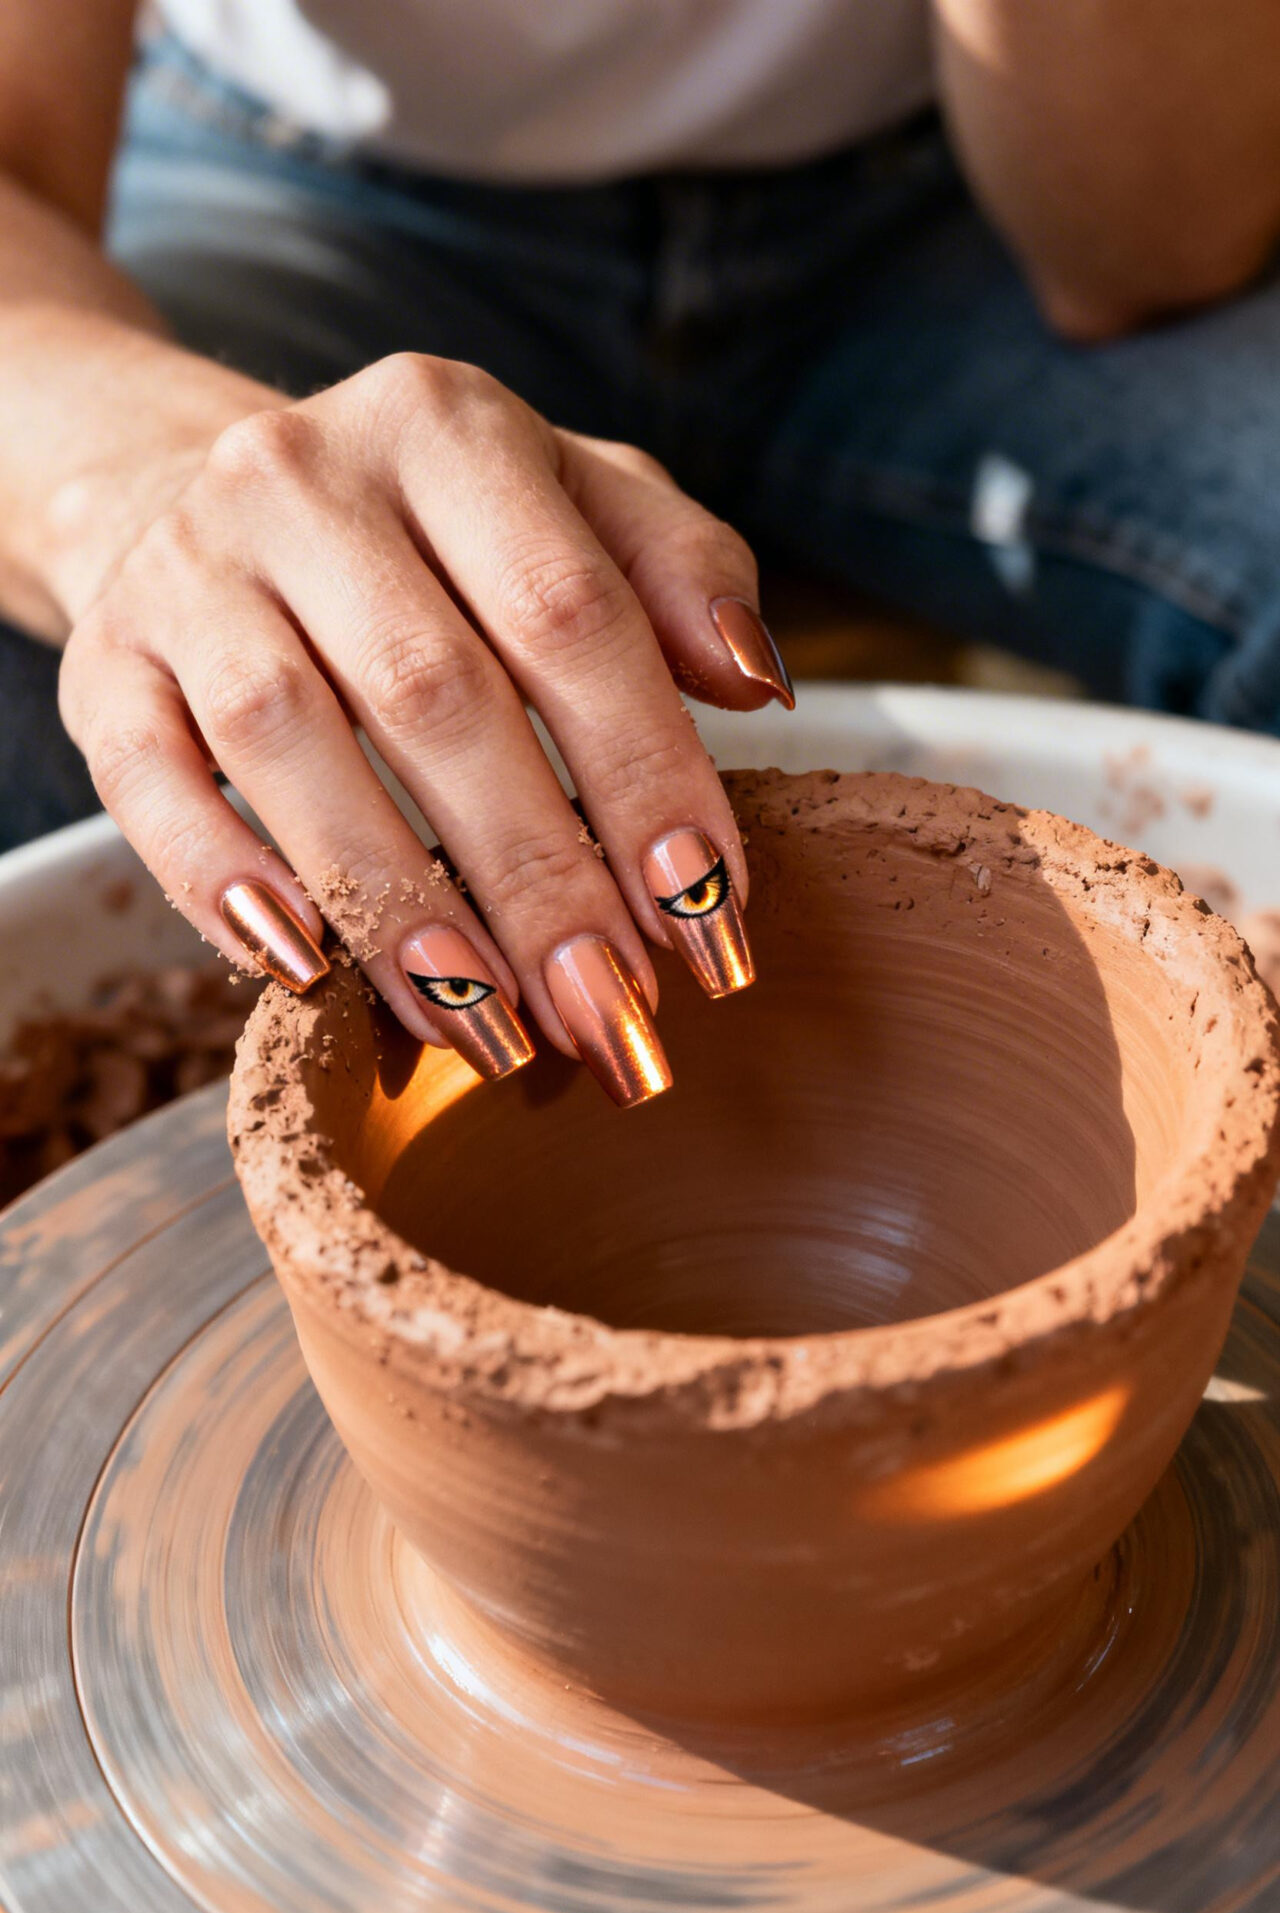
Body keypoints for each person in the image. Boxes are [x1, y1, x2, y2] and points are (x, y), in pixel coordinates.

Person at [3, 3, 1279, 1105]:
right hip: (299, 181)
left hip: (944, 197)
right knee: (119, 692)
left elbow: (1145, 243)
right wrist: (147, 492)